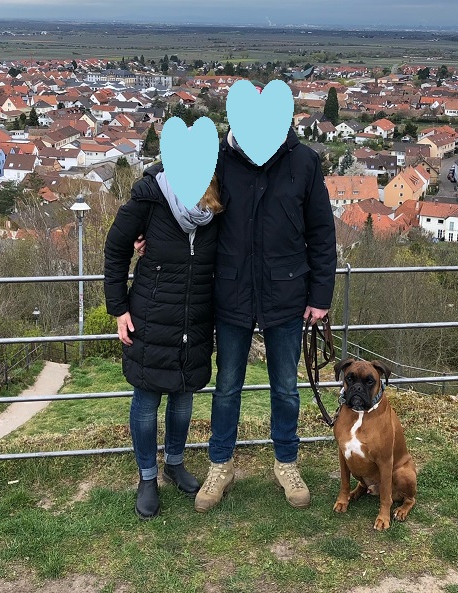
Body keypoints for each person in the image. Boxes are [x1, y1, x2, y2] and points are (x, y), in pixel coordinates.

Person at [194, 122, 337, 513]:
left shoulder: (304, 161)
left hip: (287, 293)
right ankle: (220, 465)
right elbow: (170, 180)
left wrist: (320, 296)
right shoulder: (218, 158)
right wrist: (144, 230)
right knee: (226, 387)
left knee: (286, 388)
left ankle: (286, 462)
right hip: (232, 291)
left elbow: (322, 232)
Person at [104, 164, 221, 520]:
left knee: (183, 397)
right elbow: (116, 249)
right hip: (151, 316)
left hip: (195, 318)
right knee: (146, 399)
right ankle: (147, 477)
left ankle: (174, 463)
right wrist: (118, 309)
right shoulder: (150, 197)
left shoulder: (217, 204)